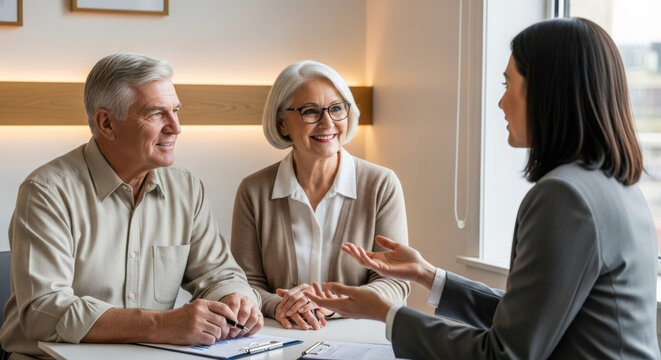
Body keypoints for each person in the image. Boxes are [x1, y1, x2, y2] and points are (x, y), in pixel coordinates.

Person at [306, 18, 661, 359]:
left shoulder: (564, 198)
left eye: (508, 85)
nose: (500, 102)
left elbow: (505, 353)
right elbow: (527, 323)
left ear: (545, 91)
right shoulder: (617, 185)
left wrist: (388, 315)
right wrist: (426, 274)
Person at [0, 53, 263, 359]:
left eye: (176, 111)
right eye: (155, 114)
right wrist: (161, 324)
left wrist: (236, 298)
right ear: (107, 123)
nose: (175, 127)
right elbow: (44, 310)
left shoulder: (187, 188)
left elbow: (219, 274)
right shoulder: (46, 192)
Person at [230, 60, 410, 331]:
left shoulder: (381, 184)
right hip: (280, 336)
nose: (327, 123)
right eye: (310, 111)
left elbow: (395, 283)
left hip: (361, 337)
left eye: (337, 109)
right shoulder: (253, 191)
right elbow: (245, 283)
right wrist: (280, 305)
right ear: (282, 124)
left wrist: (331, 302)